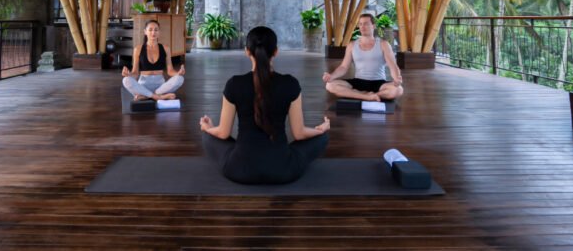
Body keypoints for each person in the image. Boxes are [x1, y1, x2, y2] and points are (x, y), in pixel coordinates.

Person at [200, 26, 330, 184]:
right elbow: (299, 133)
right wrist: (320, 130)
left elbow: (223, 133)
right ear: (276, 51)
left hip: (239, 170)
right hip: (283, 170)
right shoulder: (290, 83)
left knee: (207, 137)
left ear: (247, 51)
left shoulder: (234, 84)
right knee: (322, 138)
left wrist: (208, 128)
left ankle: (234, 149)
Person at [323, 13, 403, 101]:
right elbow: (343, 67)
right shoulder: (352, 45)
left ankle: (366, 95)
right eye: (360, 24)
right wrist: (331, 76)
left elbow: (393, 66)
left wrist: (396, 79)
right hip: (358, 81)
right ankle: (367, 97)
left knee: (398, 90)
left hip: (379, 83)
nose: (362, 26)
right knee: (330, 85)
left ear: (373, 26)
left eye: (366, 24)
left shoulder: (383, 44)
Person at [122, 19, 185, 101]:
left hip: (160, 86)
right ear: (145, 32)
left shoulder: (166, 48)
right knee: (126, 80)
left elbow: (170, 71)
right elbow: (135, 73)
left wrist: (178, 73)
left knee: (180, 79)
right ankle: (158, 97)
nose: (153, 32)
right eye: (150, 30)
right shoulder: (138, 49)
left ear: (159, 32)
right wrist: (129, 74)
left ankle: (146, 96)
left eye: (156, 30)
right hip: (143, 85)